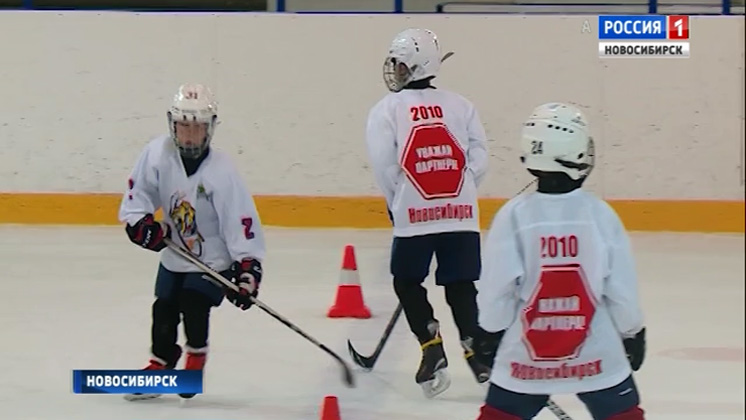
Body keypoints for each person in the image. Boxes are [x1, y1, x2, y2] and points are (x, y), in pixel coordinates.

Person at [473, 102, 646, 420]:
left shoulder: (513, 216)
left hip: (526, 357)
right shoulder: (600, 215)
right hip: (595, 352)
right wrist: (632, 331)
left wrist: (489, 332)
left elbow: (497, 290)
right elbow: (621, 288)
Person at [118, 83, 266, 401]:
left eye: (197, 128)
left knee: (194, 305)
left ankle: (195, 359)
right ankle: (160, 364)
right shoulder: (158, 154)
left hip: (213, 258)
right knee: (164, 310)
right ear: (173, 124)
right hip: (175, 253)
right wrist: (141, 223)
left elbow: (241, 220)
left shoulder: (222, 171)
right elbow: (137, 195)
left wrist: (247, 269)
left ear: (209, 129)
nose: (188, 135)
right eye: (183, 126)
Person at [365, 28, 490, 398]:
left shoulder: (385, 110)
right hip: (461, 213)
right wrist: (461, 193)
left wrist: (398, 205)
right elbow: (479, 157)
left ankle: (431, 347)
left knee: (406, 282)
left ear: (416, 66)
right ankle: (477, 351)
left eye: (401, 64)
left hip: (414, 212)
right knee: (461, 286)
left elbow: (385, 166)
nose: (396, 71)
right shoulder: (462, 105)